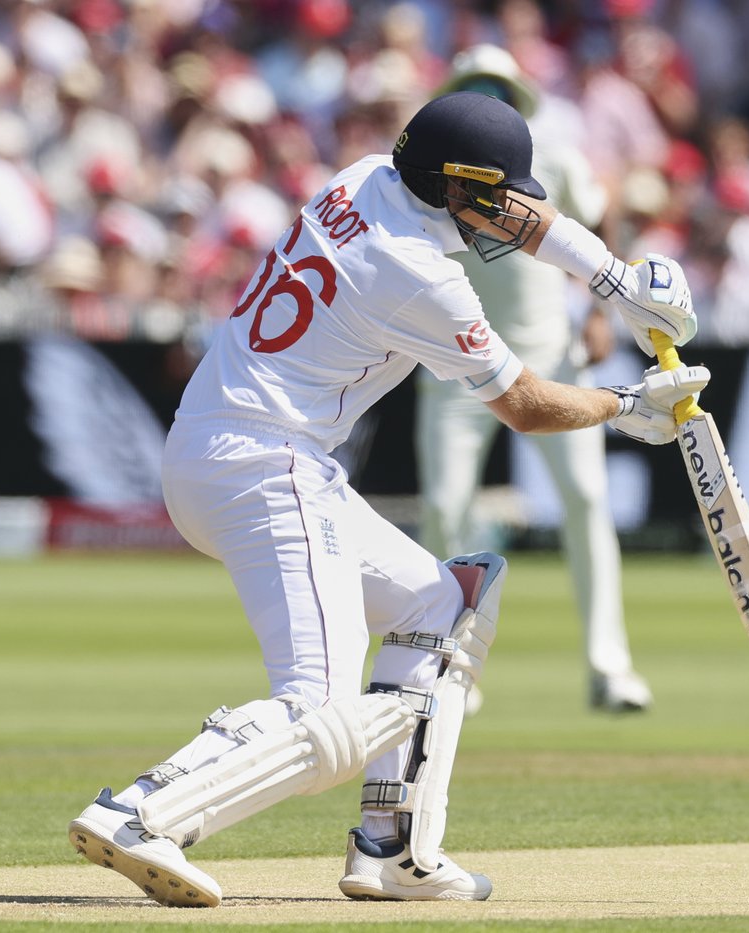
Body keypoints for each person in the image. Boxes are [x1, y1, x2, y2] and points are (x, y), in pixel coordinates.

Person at [67, 90, 707, 906]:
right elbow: (524, 404)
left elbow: (523, 217)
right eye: (494, 197)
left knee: (446, 601)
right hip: (264, 464)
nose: (509, 217)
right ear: (454, 189)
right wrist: (626, 404)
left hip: (234, 445)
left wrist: (614, 280)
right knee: (322, 713)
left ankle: (392, 848)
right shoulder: (417, 275)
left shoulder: (368, 174)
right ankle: (138, 812)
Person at [415, 44, 652, 712]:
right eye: (475, 87)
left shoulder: (551, 153)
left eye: (499, 88)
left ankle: (611, 668)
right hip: (456, 359)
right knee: (443, 506)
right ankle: (450, 666)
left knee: (586, 500)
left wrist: (602, 308)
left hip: (551, 355)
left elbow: (598, 215)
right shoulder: (428, 165)